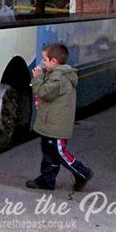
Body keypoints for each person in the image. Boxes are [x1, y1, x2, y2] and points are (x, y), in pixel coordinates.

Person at [26, 42, 93, 191]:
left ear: (53, 61)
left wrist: (37, 78)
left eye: (44, 59)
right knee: (49, 154)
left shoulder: (58, 78)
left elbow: (44, 92)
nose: (43, 62)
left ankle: (82, 172)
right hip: (51, 123)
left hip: (56, 125)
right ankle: (47, 180)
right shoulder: (55, 75)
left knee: (58, 153)